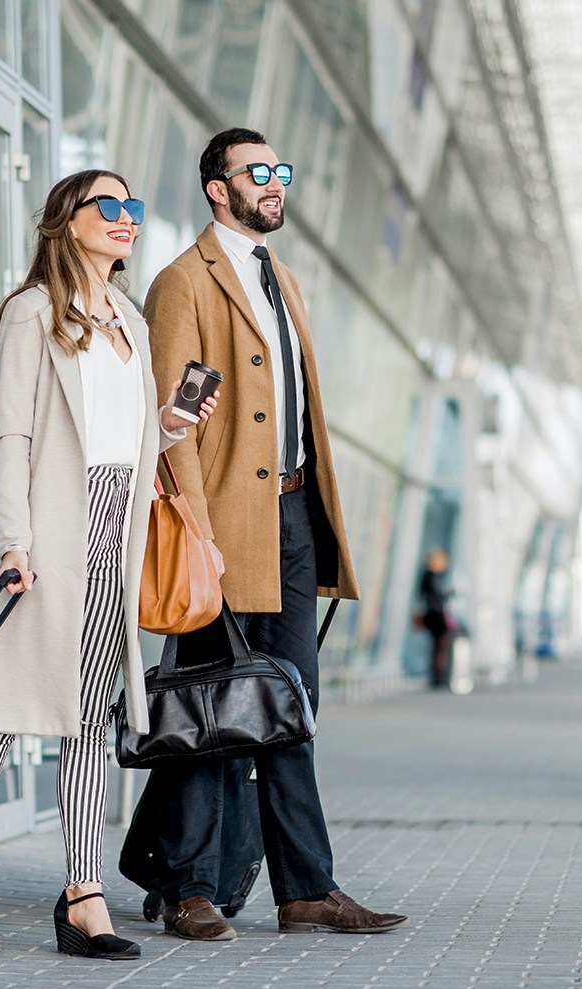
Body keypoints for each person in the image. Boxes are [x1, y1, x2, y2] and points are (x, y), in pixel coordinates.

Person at [0, 169, 219, 960]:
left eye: (134, 209)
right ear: (67, 220)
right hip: (50, 528)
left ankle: (83, 891)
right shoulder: (32, 313)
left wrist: (171, 420)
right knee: (0, 711)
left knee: (92, 717)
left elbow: (130, 442)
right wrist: (13, 540)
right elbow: (11, 434)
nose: (126, 220)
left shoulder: (129, 316)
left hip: (115, 530)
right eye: (109, 207)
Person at [131, 126, 407, 940]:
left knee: (290, 704)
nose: (275, 182)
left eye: (281, 170)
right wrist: (195, 526)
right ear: (219, 187)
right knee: (207, 701)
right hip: (221, 523)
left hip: (290, 516)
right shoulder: (183, 282)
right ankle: (187, 886)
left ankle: (305, 890)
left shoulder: (282, 278)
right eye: (259, 172)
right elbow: (171, 422)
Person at [418, 548, 454, 689]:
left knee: (438, 645)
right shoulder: (431, 576)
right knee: (441, 644)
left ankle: (438, 676)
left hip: (433, 614)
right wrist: (449, 592)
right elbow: (437, 594)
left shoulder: (429, 576)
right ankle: (439, 677)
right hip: (436, 615)